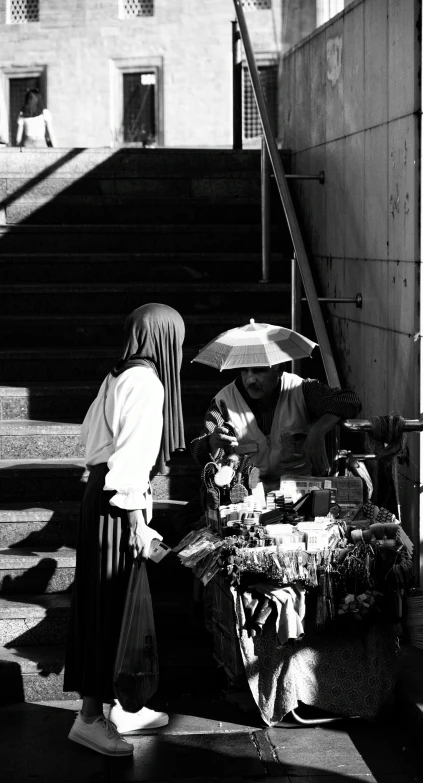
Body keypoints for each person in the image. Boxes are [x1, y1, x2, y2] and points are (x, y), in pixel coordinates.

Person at [64, 303, 185, 757]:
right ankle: (90, 717)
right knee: (109, 603)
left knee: (107, 601)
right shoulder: (146, 382)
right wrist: (137, 521)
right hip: (118, 504)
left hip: (103, 495)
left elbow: (90, 438)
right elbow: (132, 456)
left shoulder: (119, 374)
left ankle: (117, 707)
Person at [190, 363, 362, 486]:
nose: (250, 379)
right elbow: (197, 449)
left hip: (298, 495)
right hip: (247, 499)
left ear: (279, 369)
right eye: (244, 371)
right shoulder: (224, 401)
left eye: (259, 371)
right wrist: (211, 443)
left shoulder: (301, 389)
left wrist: (317, 431)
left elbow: (349, 400)